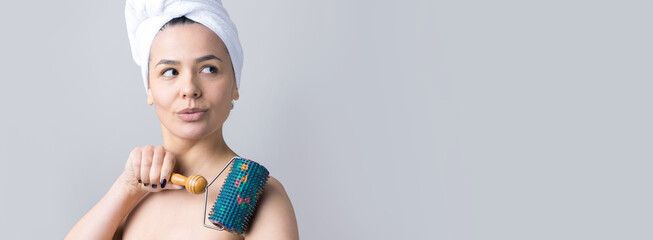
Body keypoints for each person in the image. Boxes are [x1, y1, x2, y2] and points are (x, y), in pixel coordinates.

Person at [65, 1, 299, 239]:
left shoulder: (252, 193)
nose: (189, 89)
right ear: (149, 88)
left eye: (209, 69)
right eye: (170, 72)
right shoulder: (132, 196)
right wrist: (125, 188)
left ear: (235, 84)